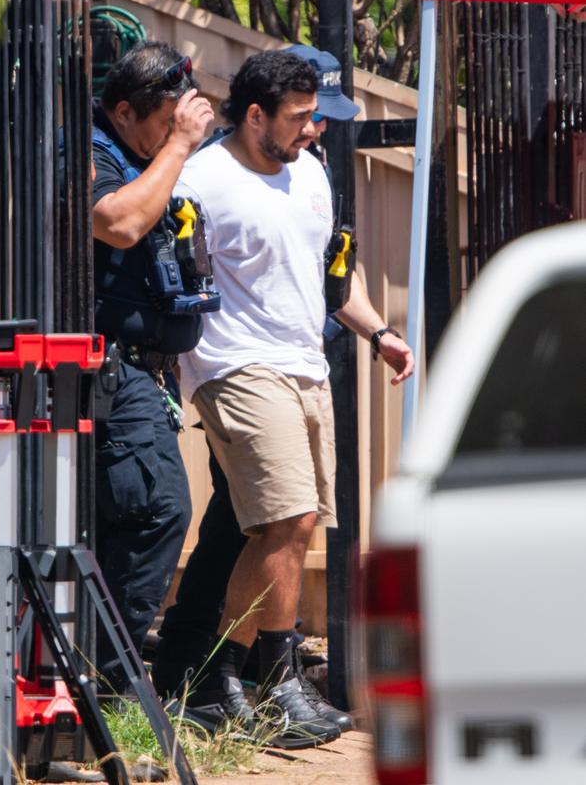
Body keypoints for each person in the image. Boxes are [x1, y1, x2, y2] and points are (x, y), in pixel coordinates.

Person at [154, 48, 414, 745]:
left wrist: (378, 331)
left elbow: (335, 274)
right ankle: (277, 680)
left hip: (306, 365)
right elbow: (168, 273)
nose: (314, 130)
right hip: (233, 365)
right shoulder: (202, 178)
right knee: (290, 517)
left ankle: (231, 678)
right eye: (302, 118)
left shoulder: (313, 173)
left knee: (288, 528)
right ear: (257, 114)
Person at [90, 40, 214, 692]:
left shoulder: (145, 153)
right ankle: (105, 683)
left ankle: (93, 674)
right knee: (156, 507)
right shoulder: (87, 152)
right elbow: (115, 221)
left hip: (146, 370)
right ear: (124, 112)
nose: (177, 132)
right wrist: (179, 147)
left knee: (128, 515)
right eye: (165, 120)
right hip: (107, 368)